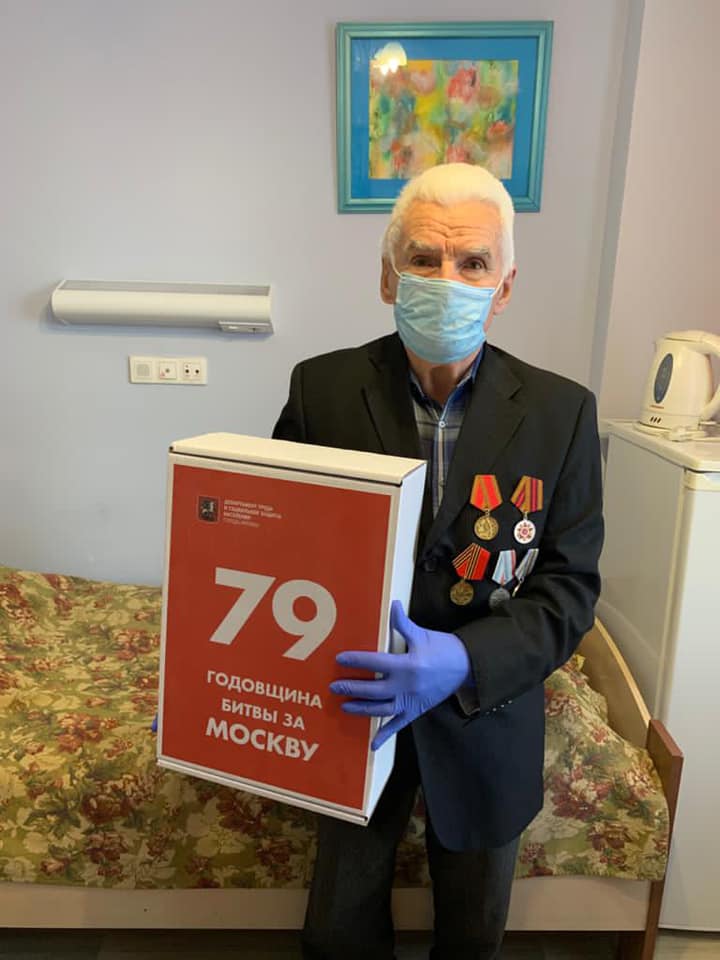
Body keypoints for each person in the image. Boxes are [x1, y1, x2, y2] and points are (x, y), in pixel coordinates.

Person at [272, 162, 604, 960]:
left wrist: (462, 660)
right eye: (424, 258)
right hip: (352, 703)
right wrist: (217, 667)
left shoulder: (561, 413)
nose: (447, 278)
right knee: (340, 925)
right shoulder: (322, 388)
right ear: (389, 276)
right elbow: (277, 546)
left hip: (486, 711)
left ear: (504, 286)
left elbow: (568, 587)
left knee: (473, 929)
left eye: (472, 262)